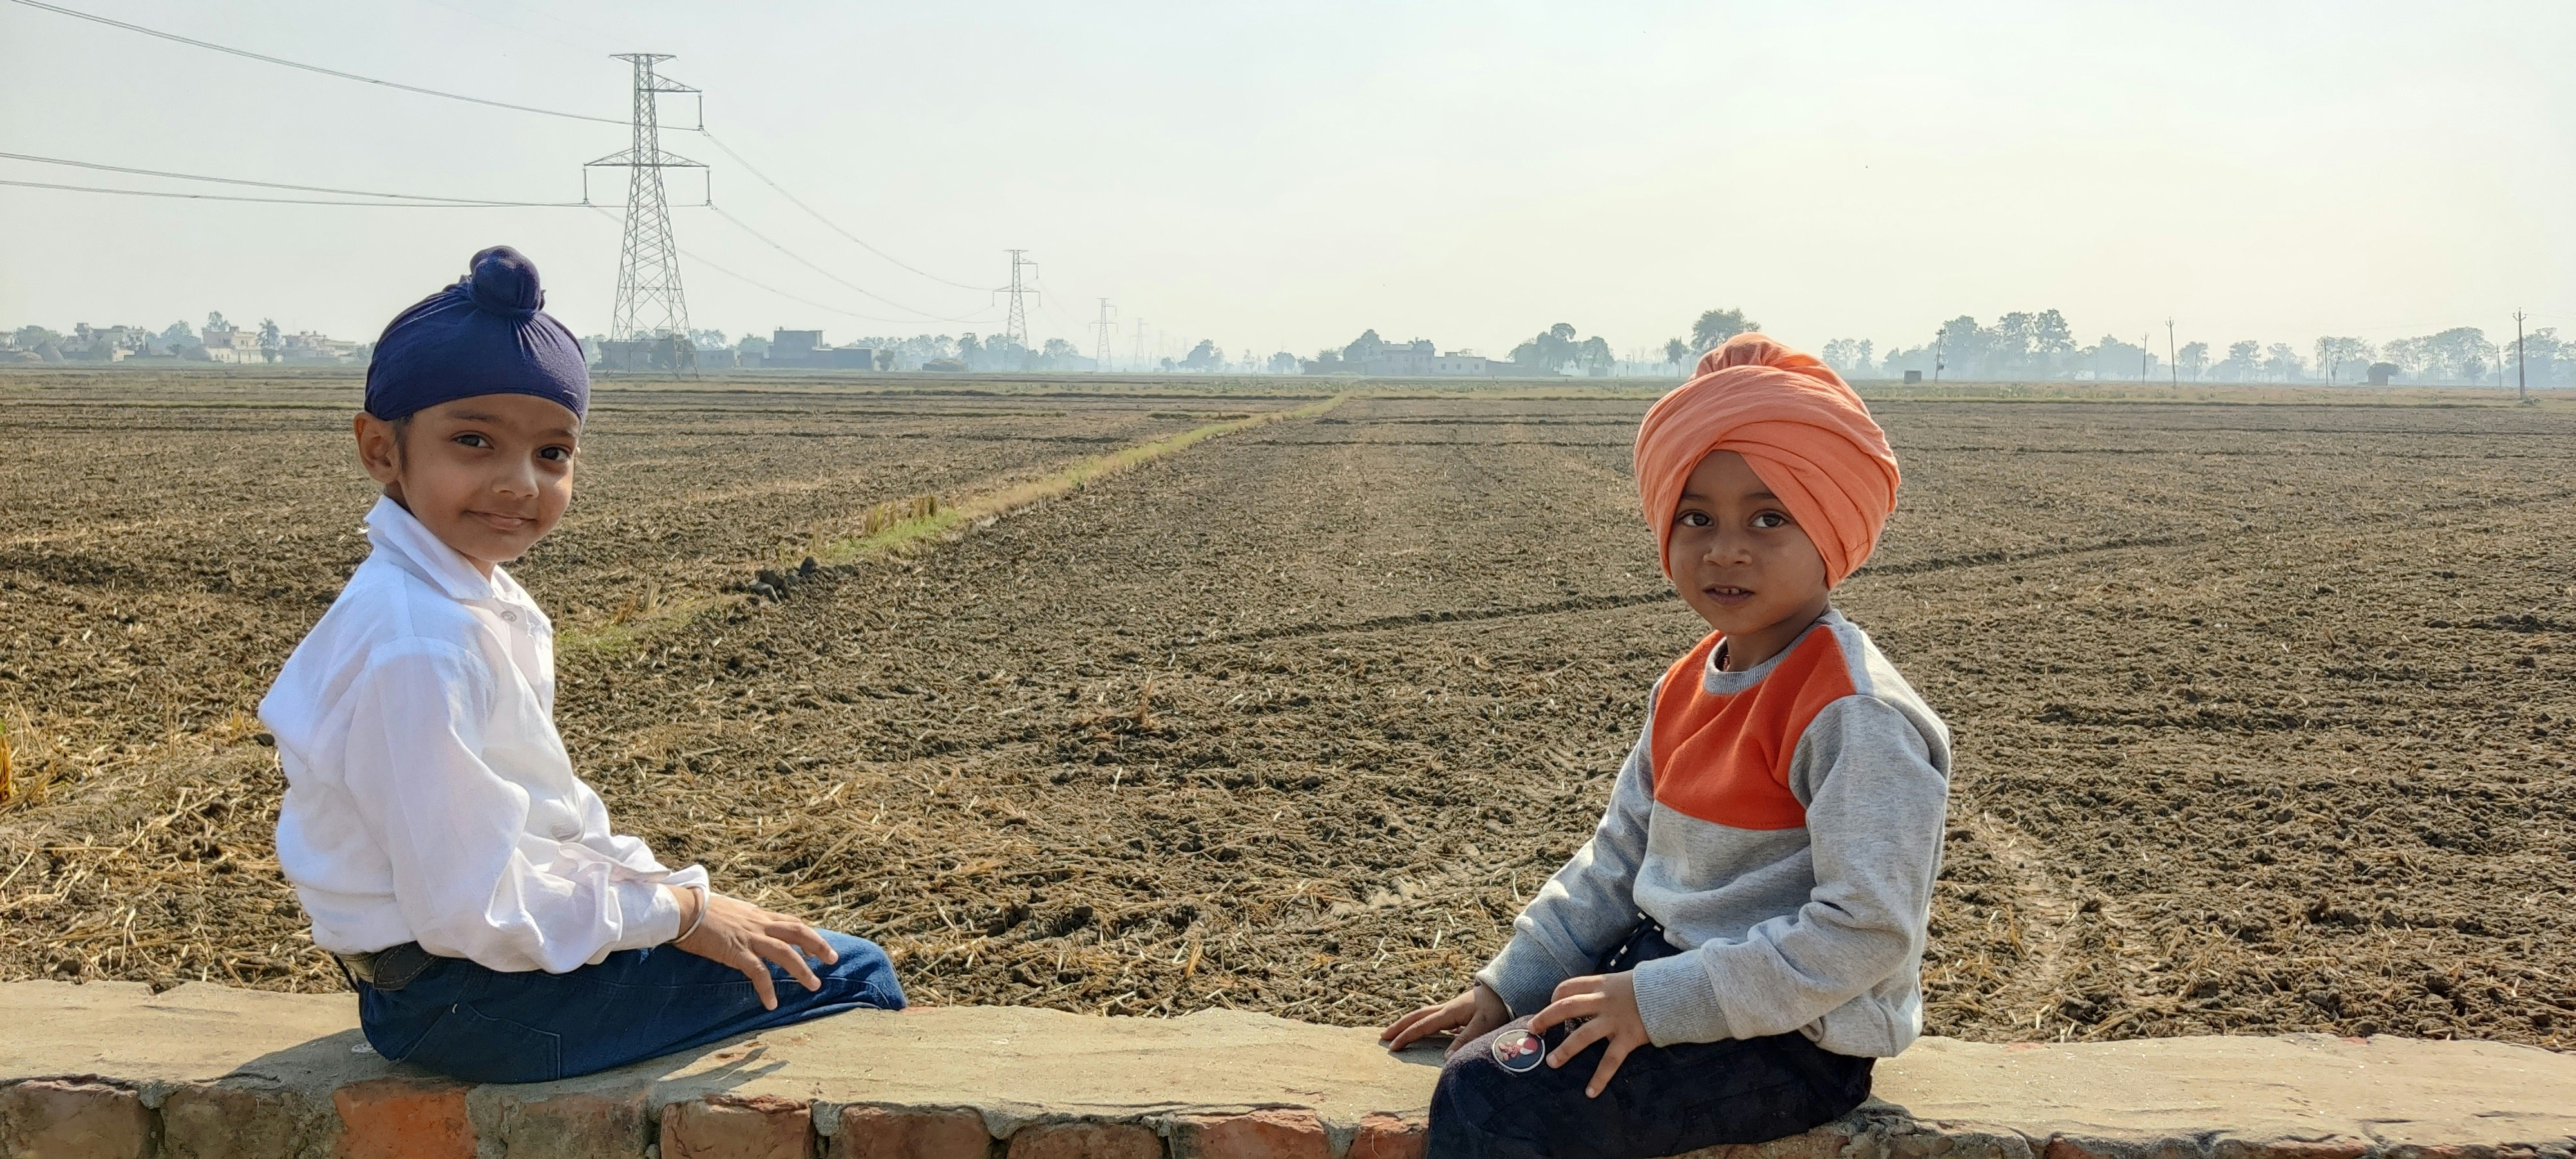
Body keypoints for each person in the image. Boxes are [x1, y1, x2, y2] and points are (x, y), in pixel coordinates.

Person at [261, 246, 904, 1084]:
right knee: (853, 972)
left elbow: (543, 825)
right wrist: (682, 913)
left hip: (464, 983)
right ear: (381, 449)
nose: (517, 482)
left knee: (798, 950)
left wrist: (677, 897)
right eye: (473, 441)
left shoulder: (465, 602)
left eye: (552, 454)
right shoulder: (420, 643)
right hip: (470, 1003)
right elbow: (476, 907)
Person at [1381, 335, 1951, 1159]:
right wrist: (1507, 988)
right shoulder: (1689, 682)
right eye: (1696, 518)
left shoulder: (1853, 714)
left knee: (1492, 1102)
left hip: (1795, 1039)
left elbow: (1865, 934)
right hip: (1669, 977)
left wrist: (1655, 1003)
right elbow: (1618, 857)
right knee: (1480, 1062)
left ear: (1833, 525)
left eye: (1768, 517)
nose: (1725, 548)